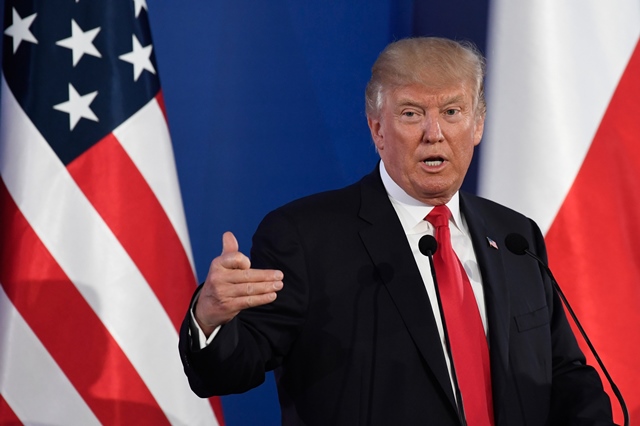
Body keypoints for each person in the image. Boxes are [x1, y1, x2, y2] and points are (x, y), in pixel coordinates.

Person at [179, 37, 614, 425]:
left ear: (477, 124)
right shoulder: (305, 237)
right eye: (411, 113)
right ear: (377, 129)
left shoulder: (516, 236)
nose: (434, 134)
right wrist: (211, 317)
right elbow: (231, 370)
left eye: (452, 111)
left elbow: (560, 372)